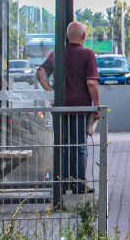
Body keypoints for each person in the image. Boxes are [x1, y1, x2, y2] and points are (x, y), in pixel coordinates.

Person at [37, 21, 100, 194]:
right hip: (80, 110)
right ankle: (79, 184)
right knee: (79, 146)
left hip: (61, 109)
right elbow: (92, 83)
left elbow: (41, 73)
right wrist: (98, 106)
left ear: (66, 36)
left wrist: (53, 93)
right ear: (84, 36)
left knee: (63, 146)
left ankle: (62, 184)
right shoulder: (88, 54)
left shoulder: (57, 54)